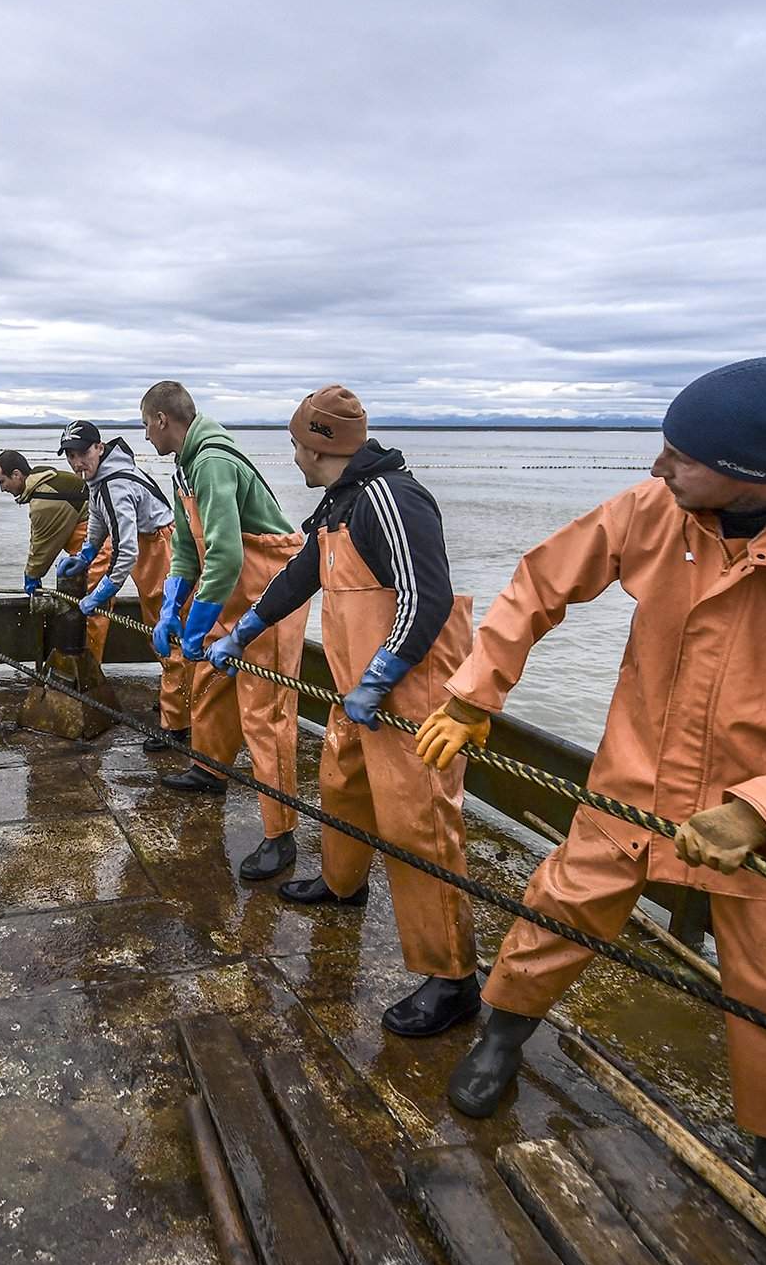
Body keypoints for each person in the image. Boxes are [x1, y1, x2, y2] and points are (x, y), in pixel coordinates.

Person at [415, 357, 766, 1210]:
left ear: (750, 474)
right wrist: (476, 693)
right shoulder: (655, 510)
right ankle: (501, 1036)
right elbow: (539, 583)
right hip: (631, 782)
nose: (656, 468)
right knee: (556, 908)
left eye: (678, 457)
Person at [210, 386, 480, 1036]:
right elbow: (302, 575)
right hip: (353, 692)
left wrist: (383, 674)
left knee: (421, 831)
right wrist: (244, 629)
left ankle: (453, 980)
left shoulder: (393, 498)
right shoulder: (339, 503)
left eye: (298, 445)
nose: (294, 457)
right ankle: (342, 883)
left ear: (320, 445)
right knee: (343, 785)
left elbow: (427, 595)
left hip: (411, 699)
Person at [139, 380, 307, 880]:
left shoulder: (212, 462)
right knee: (209, 684)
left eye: (145, 423)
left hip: (267, 593)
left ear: (163, 420)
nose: (145, 435)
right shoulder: (186, 467)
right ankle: (209, 769)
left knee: (266, 715)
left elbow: (231, 553)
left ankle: (282, 836)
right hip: (229, 592)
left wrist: (198, 619)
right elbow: (191, 550)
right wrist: (172, 605)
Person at [56, 419, 192, 752]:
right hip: (153, 547)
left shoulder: (115, 484)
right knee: (157, 631)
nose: (76, 462)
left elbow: (127, 551)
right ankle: (180, 705)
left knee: (168, 636)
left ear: (99, 448)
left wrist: (101, 592)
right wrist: (87, 553)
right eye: (70, 455)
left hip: (159, 548)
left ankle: (176, 727)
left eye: (82, 452)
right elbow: (101, 521)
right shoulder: (99, 478)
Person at [0, 449, 109, 659]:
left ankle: (87, 674)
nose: (2, 489)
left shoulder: (44, 500)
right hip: (88, 549)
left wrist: (32, 576)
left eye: (2, 481)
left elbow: (43, 545)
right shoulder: (45, 481)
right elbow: (41, 539)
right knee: (87, 609)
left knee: (93, 614)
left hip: (98, 547)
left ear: (17, 475)